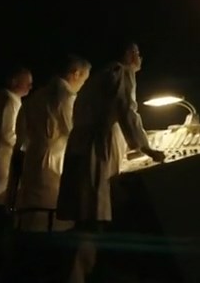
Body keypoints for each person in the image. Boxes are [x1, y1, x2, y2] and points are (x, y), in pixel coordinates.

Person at [56, 42, 164, 282]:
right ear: (127, 55)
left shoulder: (97, 78)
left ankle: (77, 273)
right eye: (136, 52)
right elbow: (127, 110)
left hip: (81, 148)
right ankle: (80, 275)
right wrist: (145, 147)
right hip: (97, 150)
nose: (140, 57)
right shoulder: (120, 72)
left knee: (84, 219)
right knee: (94, 219)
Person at [15, 55, 91, 231]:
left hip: (32, 160)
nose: (83, 85)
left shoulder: (34, 98)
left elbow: (21, 136)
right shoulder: (65, 98)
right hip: (53, 163)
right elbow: (75, 132)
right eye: (84, 79)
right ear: (76, 74)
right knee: (51, 217)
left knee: (33, 215)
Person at [0, 66, 32, 279]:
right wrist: (26, 144)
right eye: (27, 81)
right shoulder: (9, 100)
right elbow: (7, 134)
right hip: (3, 160)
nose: (30, 86)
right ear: (15, 81)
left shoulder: (11, 100)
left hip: (5, 160)